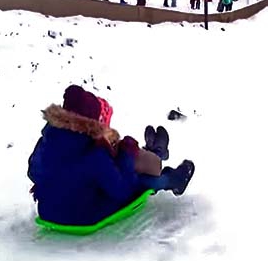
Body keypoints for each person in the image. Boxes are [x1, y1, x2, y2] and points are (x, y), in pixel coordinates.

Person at [27, 85, 196, 226]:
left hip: (47, 212)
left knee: (95, 178)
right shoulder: (96, 154)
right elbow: (122, 190)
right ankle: (172, 180)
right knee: (138, 182)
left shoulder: (47, 141)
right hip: (80, 218)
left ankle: (155, 153)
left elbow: (32, 172)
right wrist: (127, 154)